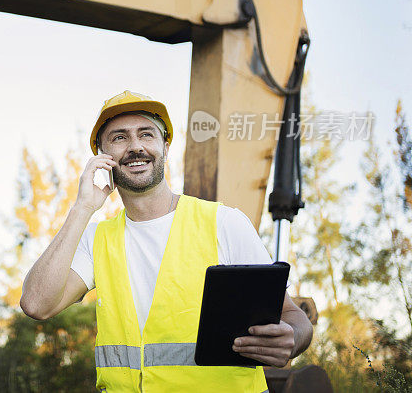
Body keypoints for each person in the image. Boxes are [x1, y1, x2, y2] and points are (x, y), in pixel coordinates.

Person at [20, 90, 312, 392]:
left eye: (146, 134)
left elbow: (293, 316)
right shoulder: (96, 239)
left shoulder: (224, 223)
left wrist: (290, 338)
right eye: (119, 138)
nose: (135, 147)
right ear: (101, 156)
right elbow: (36, 304)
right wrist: (82, 208)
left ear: (165, 146)